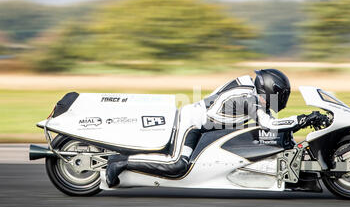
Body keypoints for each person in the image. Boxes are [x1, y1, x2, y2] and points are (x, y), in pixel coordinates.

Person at [105, 69, 328, 187]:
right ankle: (121, 162)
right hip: (192, 122)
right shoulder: (249, 99)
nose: (281, 101)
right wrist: (302, 119)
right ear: (270, 91)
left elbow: (266, 120)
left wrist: (301, 120)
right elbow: (268, 124)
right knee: (178, 166)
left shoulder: (251, 91)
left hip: (205, 125)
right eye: (280, 97)